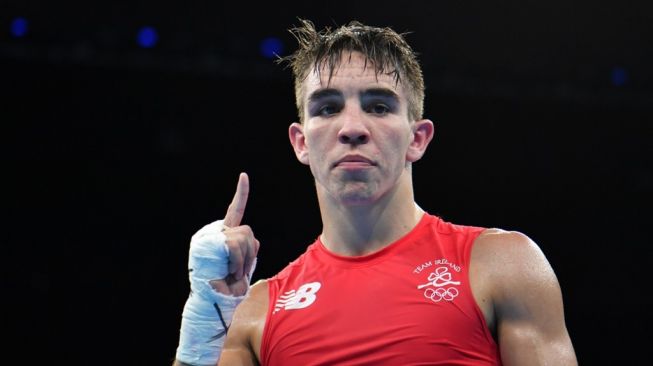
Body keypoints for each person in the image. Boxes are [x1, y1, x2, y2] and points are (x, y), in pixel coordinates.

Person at [174, 19, 577, 366]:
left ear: (417, 138)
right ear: (300, 143)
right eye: (328, 108)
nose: (352, 127)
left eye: (379, 106)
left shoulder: (501, 265)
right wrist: (205, 319)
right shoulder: (254, 312)